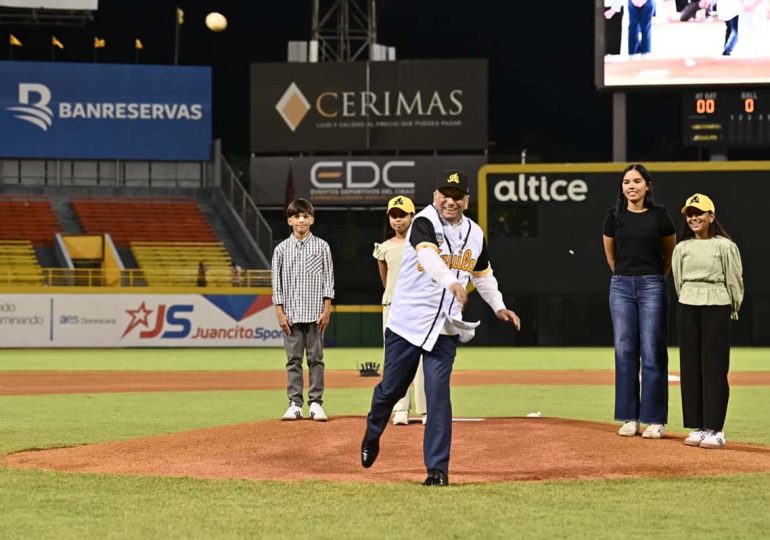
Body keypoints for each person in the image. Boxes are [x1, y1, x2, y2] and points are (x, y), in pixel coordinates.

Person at [360, 170, 521, 487]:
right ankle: (373, 430)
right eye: (445, 194)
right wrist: (450, 281)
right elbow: (428, 255)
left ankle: (437, 469)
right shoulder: (423, 221)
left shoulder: (475, 233)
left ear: (467, 201)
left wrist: (498, 305)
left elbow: (483, 274)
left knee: (438, 397)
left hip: (445, 327)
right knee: (392, 389)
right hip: (408, 323)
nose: (450, 201)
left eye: (457, 196)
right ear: (435, 196)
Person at [602, 164, 676, 439]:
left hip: (652, 284)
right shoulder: (614, 216)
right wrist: (625, 276)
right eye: (626, 182)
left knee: (653, 350)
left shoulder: (660, 216)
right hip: (621, 285)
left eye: (636, 181)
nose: (631, 186)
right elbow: (611, 256)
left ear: (647, 185)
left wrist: (654, 278)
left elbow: (670, 253)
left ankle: (655, 419)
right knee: (624, 350)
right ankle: (629, 418)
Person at [672, 193, 743, 449]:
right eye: (690, 214)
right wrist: (687, 299)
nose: (694, 218)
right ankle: (699, 426)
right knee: (691, 367)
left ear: (711, 216)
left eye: (699, 213)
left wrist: (732, 306)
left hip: (716, 304)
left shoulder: (725, 246)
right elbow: (678, 280)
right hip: (688, 304)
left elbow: (734, 279)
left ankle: (716, 429)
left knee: (714, 367)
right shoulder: (682, 248)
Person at [271, 198, 335, 422]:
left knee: (316, 359)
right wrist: (279, 313)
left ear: (312, 220)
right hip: (291, 314)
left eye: (305, 216)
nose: (301, 220)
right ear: (289, 220)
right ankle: (295, 404)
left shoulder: (322, 247)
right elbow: (276, 284)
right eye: (296, 216)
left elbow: (328, 280)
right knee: (293, 360)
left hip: (315, 313)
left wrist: (327, 310)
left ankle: (316, 403)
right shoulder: (281, 250)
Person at [372, 195, 427, 426]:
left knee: (422, 360)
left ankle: (425, 410)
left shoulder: (423, 246)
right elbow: (386, 280)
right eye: (393, 216)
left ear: (412, 217)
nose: (397, 220)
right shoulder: (384, 248)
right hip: (394, 308)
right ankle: (400, 408)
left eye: (402, 215)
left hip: (419, 308)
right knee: (395, 360)